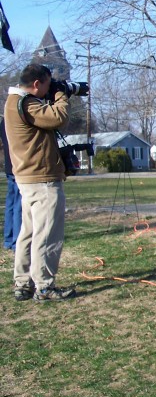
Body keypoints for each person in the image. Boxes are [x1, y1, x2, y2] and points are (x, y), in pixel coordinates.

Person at [5, 64, 76, 301]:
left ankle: (23, 283)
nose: (49, 89)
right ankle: (44, 286)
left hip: (28, 178)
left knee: (28, 233)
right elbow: (58, 117)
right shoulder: (26, 103)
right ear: (37, 84)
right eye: (47, 84)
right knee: (47, 235)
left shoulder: (14, 102)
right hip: (42, 179)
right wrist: (61, 94)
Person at [1, 118, 22, 251]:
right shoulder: (18, 115)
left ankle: (8, 240)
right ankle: (16, 242)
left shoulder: (4, 121)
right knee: (19, 205)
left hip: (9, 166)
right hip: (19, 165)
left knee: (10, 204)